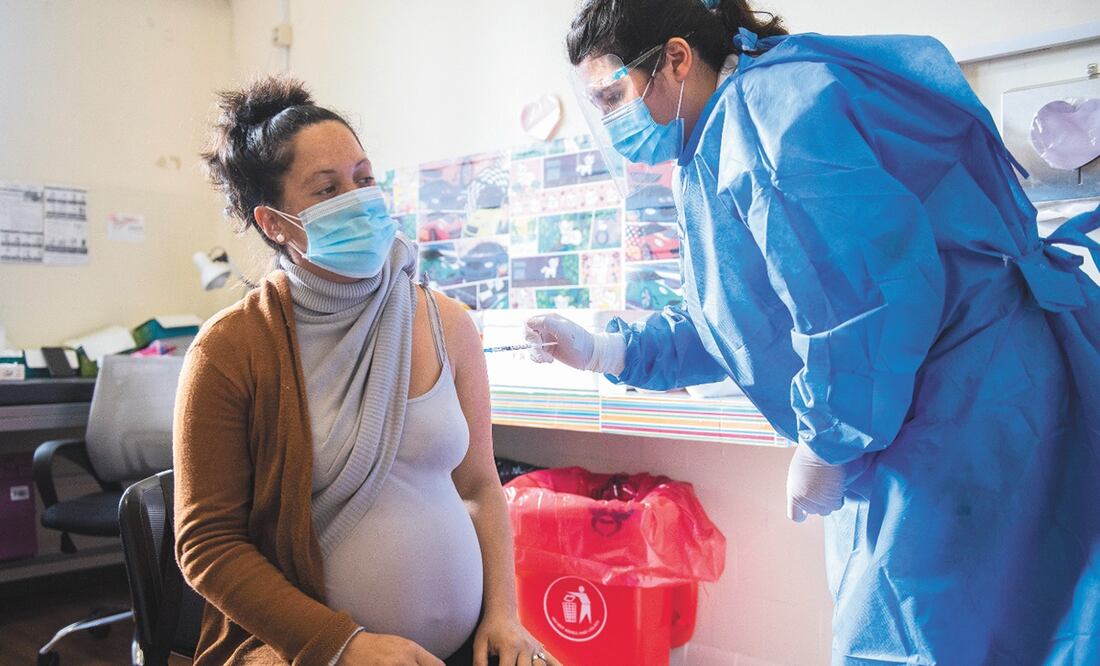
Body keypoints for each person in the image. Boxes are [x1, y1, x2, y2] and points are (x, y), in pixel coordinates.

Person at [526, 0, 1100, 663]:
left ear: (677, 58)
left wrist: (829, 441)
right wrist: (605, 350)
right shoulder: (723, 136)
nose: (609, 122)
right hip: (933, 401)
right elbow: (741, 320)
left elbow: (866, 301)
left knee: (937, 634)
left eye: (612, 96)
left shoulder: (767, 113)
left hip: (965, 403)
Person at [176, 76, 558, 666]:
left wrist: (504, 614)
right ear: (275, 223)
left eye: (364, 177)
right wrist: (340, 646)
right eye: (327, 189)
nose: (358, 198)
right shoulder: (230, 350)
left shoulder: (448, 323)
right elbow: (207, 544)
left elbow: (480, 486)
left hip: (470, 643)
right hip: (309, 652)